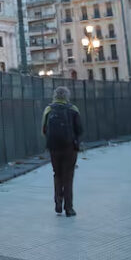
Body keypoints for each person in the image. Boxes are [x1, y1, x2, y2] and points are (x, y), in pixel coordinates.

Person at [41, 86, 83, 217]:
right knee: (68, 176)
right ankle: (69, 208)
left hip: (54, 147)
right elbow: (80, 130)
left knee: (57, 174)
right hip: (69, 148)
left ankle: (58, 203)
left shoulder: (48, 109)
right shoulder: (73, 109)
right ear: (67, 96)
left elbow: (44, 129)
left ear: (55, 96)